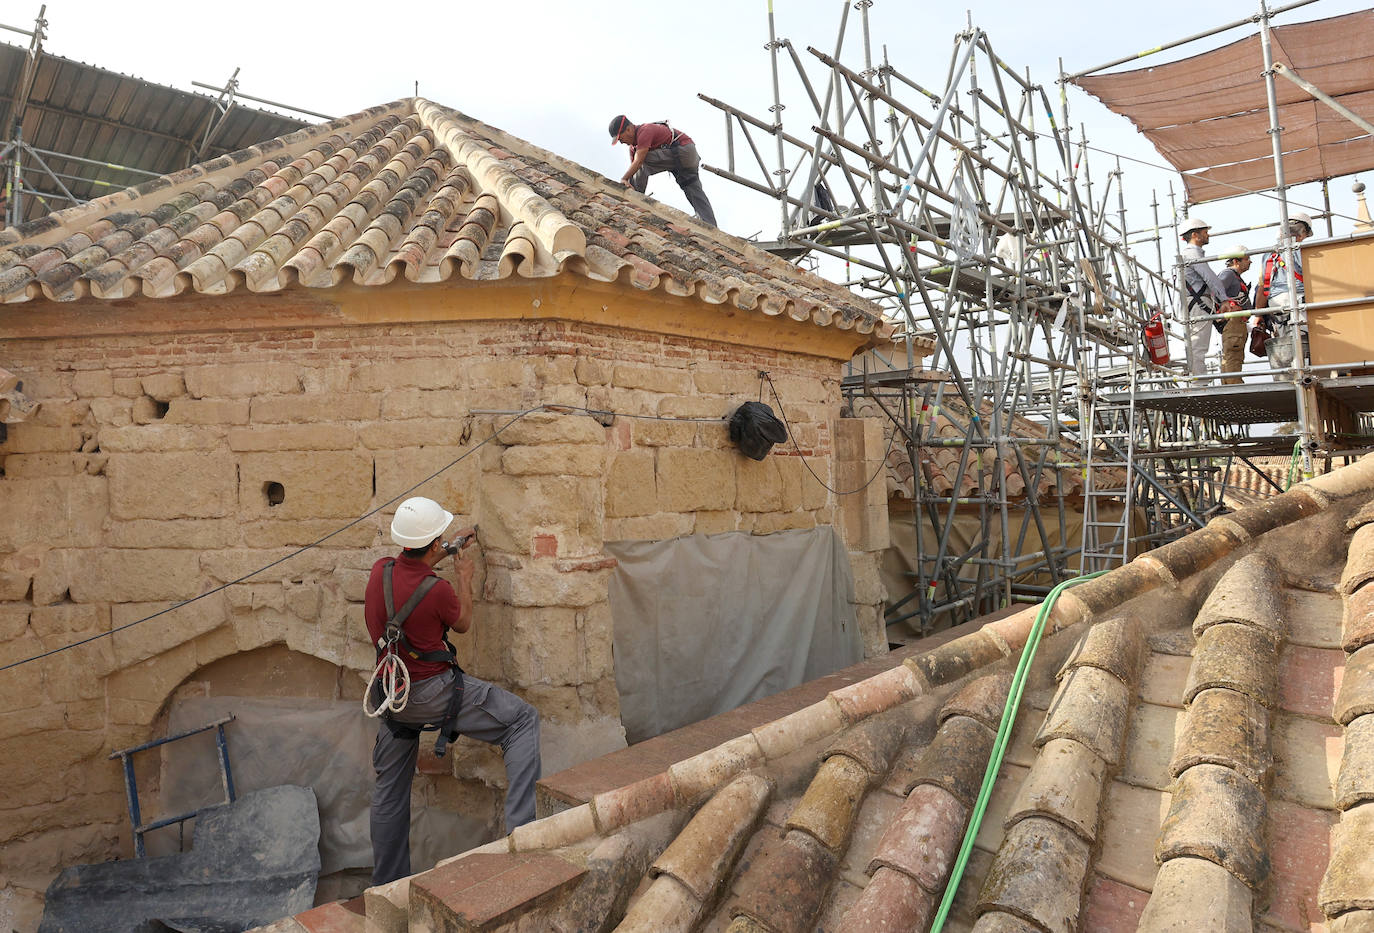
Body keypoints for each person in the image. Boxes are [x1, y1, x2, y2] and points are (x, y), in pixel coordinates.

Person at [366, 496, 540, 885]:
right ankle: (523, 840)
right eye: (439, 540)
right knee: (522, 721)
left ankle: (388, 885)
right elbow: (461, 622)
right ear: (432, 543)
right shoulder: (439, 590)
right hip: (432, 693)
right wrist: (463, 574)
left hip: (391, 693)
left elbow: (412, 569)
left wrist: (444, 549)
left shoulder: (380, 571)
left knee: (390, 792)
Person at [609, 115, 718, 227]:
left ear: (629, 129)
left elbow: (639, 162)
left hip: (684, 151)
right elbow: (635, 170)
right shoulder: (633, 148)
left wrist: (624, 179)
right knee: (692, 188)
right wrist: (628, 181)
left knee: (643, 160)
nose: (621, 142)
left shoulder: (645, 130)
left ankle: (632, 200)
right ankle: (710, 226)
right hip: (683, 161)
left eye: (620, 138)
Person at [1178, 217, 1240, 378]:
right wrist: (1224, 299)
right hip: (1198, 303)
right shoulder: (1192, 254)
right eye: (1205, 232)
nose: (1208, 235)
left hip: (1196, 302)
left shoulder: (1189, 254)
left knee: (1197, 344)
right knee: (1198, 345)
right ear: (1195, 235)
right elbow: (1210, 278)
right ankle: (1198, 381)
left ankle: (1197, 378)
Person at [1254, 211, 1314, 371]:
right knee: (1309, 344)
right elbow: (1313, 279)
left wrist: (1258, 315)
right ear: (1303, 232)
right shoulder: (1303, 249)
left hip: (1276, 305)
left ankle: (1291, 376)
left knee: (1286, 344)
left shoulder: (1268, 254)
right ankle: (1307, 376)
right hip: (1299, 299)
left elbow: (1262, 288)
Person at [1216, 246, 1253, 385]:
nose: (1250, 262)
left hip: (1236, 321)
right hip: (1233, 320)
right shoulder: (1229, 274)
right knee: (1234, 353)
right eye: (1247, 259)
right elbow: (1215, 290)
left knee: (1232, 353)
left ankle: (1230, 383)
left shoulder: (1233, 276)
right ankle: (1234, 384)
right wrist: (1230, 305)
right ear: (1236, 261)